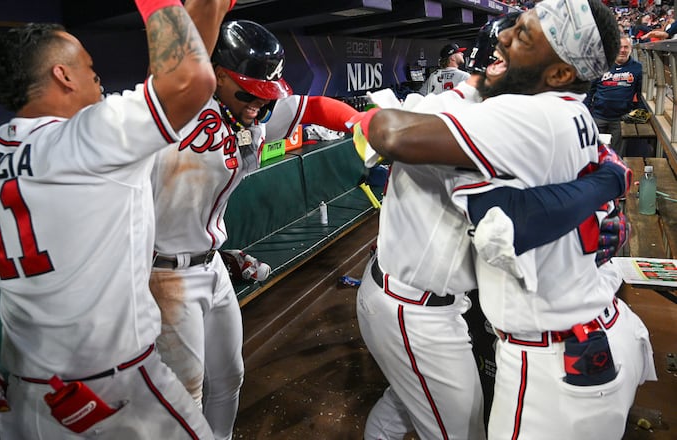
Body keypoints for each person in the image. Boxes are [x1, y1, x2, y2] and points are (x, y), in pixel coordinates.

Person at [353, 1, 656, 438]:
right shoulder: (571, 113)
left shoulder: (527, 114)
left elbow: (390, 134)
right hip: (584, 333)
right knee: (419, 408)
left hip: (555, 358)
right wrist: (607, 182)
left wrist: (605, 183)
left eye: (524, 36)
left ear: (559, 73)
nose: (505, 40)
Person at [0, 1, 231, 438]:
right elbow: (190, 80)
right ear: (62, 75)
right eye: (88, 68)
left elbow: (182, 78)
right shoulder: (89, 138)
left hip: (26, 392)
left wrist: (208, 10)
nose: (98, 77)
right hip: (111, 387)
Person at [148, 19, 362, 440]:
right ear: (217, 75)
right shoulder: (174, 113)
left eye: (265, 96)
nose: (257, 106)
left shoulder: (253, 113)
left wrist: (361, 122)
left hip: (212, 266)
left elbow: (314, 107)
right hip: (163, 275)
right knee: (184, 397)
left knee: (229, 377)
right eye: (248, 92)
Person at [584, 35, 645, 154]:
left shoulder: (637, 68)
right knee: (594, 152)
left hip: (621, 118)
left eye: (626, 47)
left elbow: (641, 93)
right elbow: (590, 90)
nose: (622, 50)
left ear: (631, 49)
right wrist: (585, 110)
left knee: (617, 154)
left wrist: (639, 111)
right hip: (598, 115)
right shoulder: (601, 65)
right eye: (619, 47)